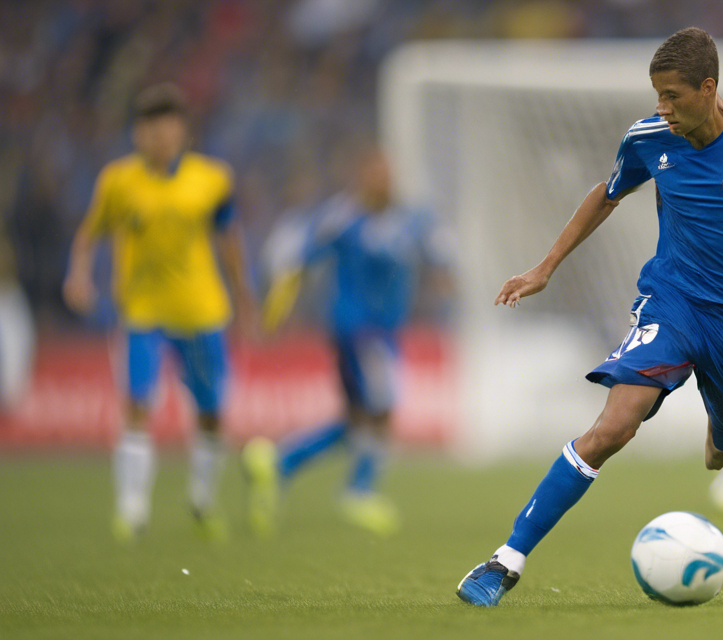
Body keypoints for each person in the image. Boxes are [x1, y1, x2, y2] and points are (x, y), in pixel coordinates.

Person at [453, 27, 723, 606]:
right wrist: (545, 267)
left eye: (673, 95)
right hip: (672, 301)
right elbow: (607, 193)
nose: (662, 107)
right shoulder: (649, 137)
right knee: (613, 426)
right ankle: (505, 562)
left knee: (720, 449)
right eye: (657, 94)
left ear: (708, 88)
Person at [62, 83, 257, 542]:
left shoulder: (213, 179)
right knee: (136, 405)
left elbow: (229, 240)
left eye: (169, 127)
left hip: (203, 313)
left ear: (184, 131)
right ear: (137, 134)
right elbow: (89, 234)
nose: (160, 137)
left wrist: (244, 295)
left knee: (211, 413)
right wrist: (79, 275)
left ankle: (202, 501)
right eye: (151, 128)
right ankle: (132, 510)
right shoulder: (117, 181)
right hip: (142, 315)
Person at [243, 148, 452, 537]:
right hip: (355, 329)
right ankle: (358, 491)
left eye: (387, 172)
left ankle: (277, 464)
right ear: (361, 179)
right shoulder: (342, 217)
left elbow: (440, 258)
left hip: (386, 332)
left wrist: (444, 282)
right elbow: (300, 261)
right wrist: (275, 310)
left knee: (357, 420)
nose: (382, 180)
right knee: (382, 407)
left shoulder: (412, 219)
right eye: (373, 173)